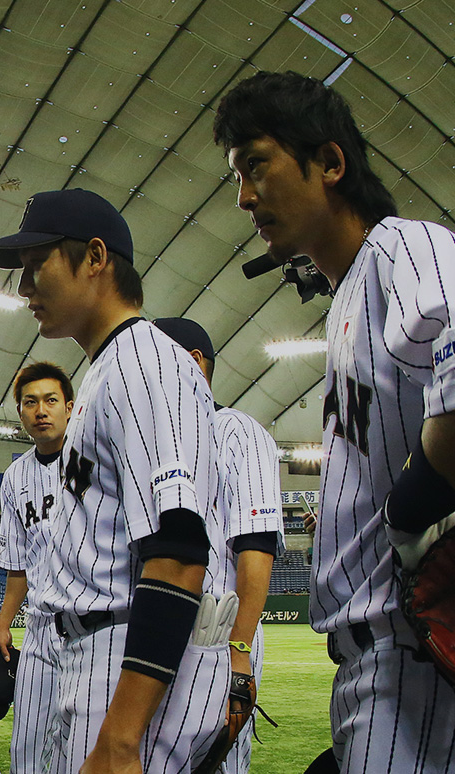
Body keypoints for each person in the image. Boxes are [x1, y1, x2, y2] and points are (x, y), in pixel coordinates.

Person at [214, 70, 455, 772]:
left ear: (330, 162)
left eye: (256, 165)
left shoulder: (403, 251)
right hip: (381, 666)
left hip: (410, 655)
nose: (244, 196)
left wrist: (414, 507)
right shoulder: (352, 289)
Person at [0, 188, 228, 774]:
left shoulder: (145, 364)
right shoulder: (105, 371)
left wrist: (122, 734)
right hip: (91, 650)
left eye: (38, 264)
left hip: (124, 657)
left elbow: (180, 547)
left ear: (95, 257)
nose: (24, 287)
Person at [152, 317, 284, 774]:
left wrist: (240, 654)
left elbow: (256, 549)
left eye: (154, 361)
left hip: (219, 639)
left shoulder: (236, 431)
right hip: (165, 637)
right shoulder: (161, 442)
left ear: (194, 363)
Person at [0, 362, 74, 774]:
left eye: (50, 400)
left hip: (93, 626)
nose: (41, 410)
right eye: (30, 402)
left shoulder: (96, 458)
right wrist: (4, 624)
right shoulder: (15, 477)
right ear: (21, 413)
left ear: (70, 407)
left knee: (81, 748)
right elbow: (17, 564)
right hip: (40, 628)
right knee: (26, 749)